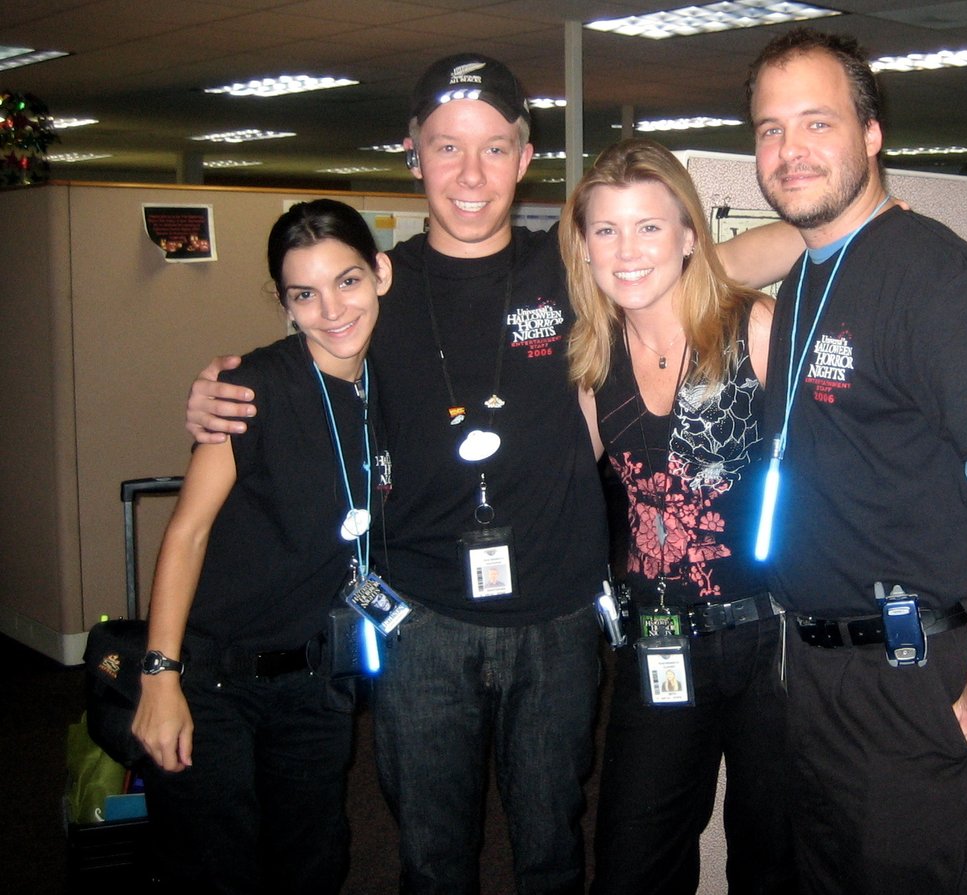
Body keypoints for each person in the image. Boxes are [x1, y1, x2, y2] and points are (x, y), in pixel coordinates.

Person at [183, 54, 803, 894]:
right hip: (423, 623)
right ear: (413, 153)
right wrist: (218, 394)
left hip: (557, 619)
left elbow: (713, 260)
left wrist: (841, 230)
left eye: (493, 148)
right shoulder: (378, 293)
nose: (470, 175)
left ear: (523, 153)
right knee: (433, 857)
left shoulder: (576, 268)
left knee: (552, 849)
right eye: (446, 148)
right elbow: (301, 353)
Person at [745, 26, 967, 894]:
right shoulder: (809, 279)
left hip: (914, 681)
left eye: (816, 124)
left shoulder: (934, 277)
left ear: (871, 133)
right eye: (770, 130)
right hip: (821, 674)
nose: (789, 151)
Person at [133, 199, 394, 894]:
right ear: (284, 302)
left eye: (347, 281)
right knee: (216, 869)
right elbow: (185, 532)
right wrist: (160, 675)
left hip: (317, 681)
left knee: (312, 862)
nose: (331, 309)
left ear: (380, 275)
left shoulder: (399, 386)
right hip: (217, 679)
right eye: (303, 294)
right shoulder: (250, 389)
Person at [560, 138, 793, 894]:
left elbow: (836, 462)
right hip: (659, 642)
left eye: (649, 227)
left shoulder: (750, 328)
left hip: (772, 641)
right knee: (633, 860)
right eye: (606, 230)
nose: (627, 251)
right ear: (585, 246)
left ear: (690, 235)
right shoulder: (593, 363)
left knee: (773, 852)